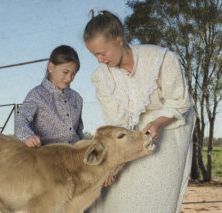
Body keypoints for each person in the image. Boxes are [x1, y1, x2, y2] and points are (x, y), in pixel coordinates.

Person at [83, 10, 195, 213]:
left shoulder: (161, 59)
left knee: (152, 191)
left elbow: (179, 102)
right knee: (115, 191)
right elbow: (117, 123)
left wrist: (158, 123)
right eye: (94, 55)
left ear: (118, 41)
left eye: (102, 53)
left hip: (169, 125)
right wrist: (111, 165)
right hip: (131, 134)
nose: (99, 60)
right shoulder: (102, 78)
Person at [14, 45, 85, 147]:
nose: (69, 78)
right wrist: (27, 136)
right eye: (65, 72)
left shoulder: (77, 98)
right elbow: (21, 119)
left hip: (73, 155)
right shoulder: (36, 95)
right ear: (51, 67)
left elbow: (79, 131)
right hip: (47, 156)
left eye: (73, 74)